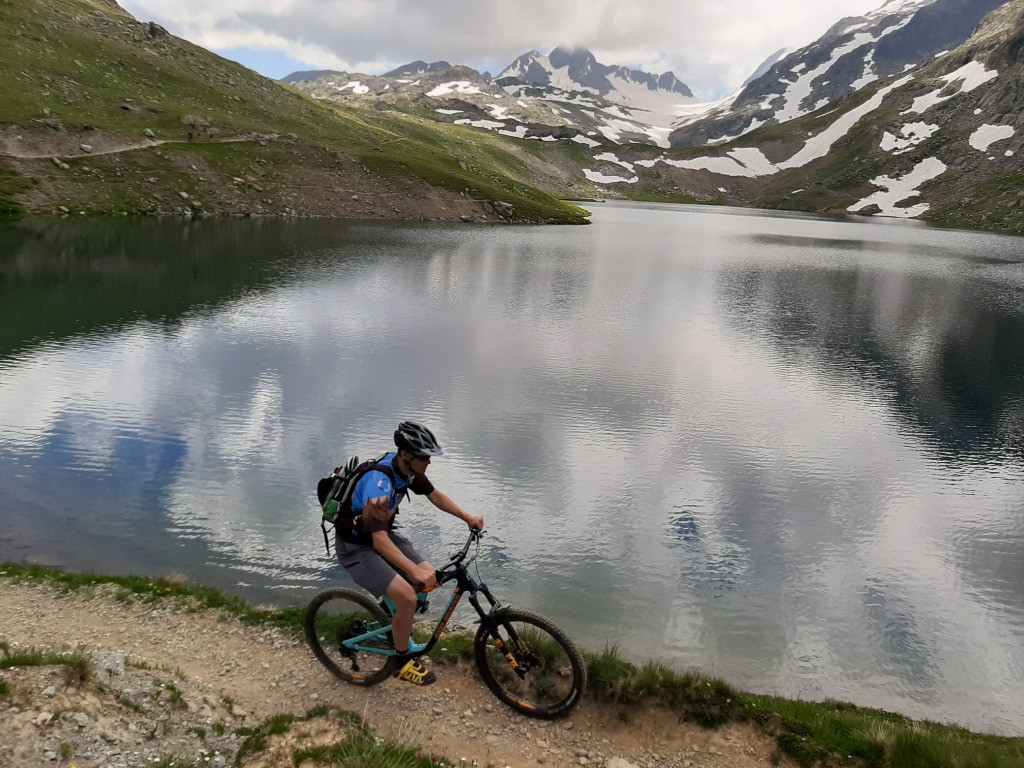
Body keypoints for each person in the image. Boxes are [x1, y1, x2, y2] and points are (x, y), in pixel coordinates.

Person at [336, 421, 483, 686]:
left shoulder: (408, 471)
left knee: (431, 579)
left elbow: (434, 495)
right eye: (424, 457)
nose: (429, 462)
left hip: (379, 535)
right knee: (407, 596)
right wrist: (411, 572)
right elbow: (379, 544)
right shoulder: (379, 483)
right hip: (357, 547)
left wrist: (467, 517)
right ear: (406, 455)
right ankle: (402, 661)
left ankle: (389, 615)